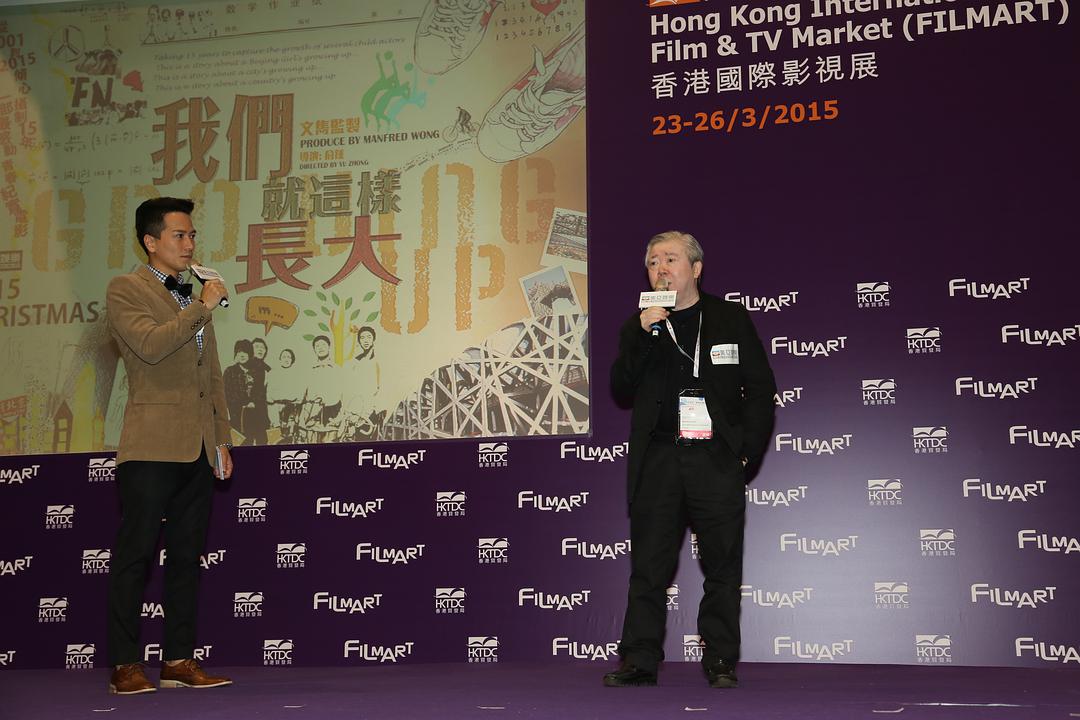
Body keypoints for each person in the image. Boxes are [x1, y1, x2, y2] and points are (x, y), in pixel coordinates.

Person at [604, 231, 776, 689]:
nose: (660, 268)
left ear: (695, 269)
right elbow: (621, 388)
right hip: (659, 459)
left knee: (722, 566)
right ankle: (639, 660)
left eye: (671, 259)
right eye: (653, 261)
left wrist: (747, 450)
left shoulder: (729, 318)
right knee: (649, 568)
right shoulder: (638, 325)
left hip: (714, 458)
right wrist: (645, 335)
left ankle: (720, 659)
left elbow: (760, 389)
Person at [105, 197, 234, 695]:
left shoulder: (189, 296)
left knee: (185, 557)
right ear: (150, 241)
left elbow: (211, 375)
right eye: (179, 235)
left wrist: (221, 439)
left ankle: (179, 660)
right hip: (150, 446)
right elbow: (151, 346)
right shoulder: (126, 289)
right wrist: (202, 307)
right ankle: (124, 664)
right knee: (135, 555)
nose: (189, 243)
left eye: (192, 234)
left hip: (197, 446)